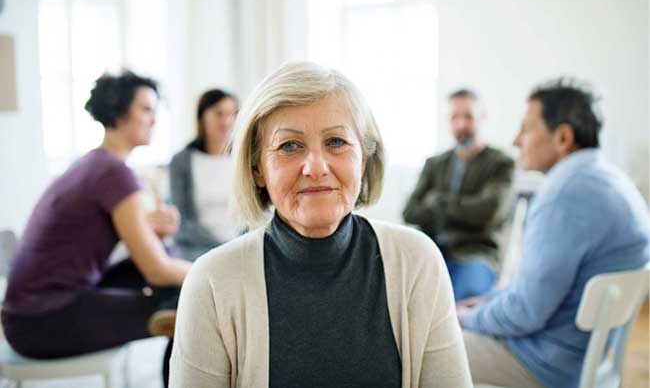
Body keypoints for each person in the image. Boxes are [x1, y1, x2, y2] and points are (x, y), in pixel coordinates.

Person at [169, 62, 472, 387]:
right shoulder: (212, 282)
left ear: (364, 159)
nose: (315, 167)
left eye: (336, 142)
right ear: (258, 169)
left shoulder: (418, 262)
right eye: (289, 146)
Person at [1, 70, 191, 387]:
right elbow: (157, 271)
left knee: (172, 266)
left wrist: (151, 231)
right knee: (186, 294)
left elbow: (127, 240)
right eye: (145, 109)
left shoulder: (94, 164)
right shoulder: (113, 173)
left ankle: (176, 314)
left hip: (29, 314)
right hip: (43, 321)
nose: (154, 120)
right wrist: (208, 275)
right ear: (119, 111)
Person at [458, 79, 650, 388]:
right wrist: (486, 302)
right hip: (583, 357)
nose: (516, 140)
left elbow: (524, 313)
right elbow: (533, 291)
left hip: (545, 366)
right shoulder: (614, 180)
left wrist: (464, 318)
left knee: (423, 347)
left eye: (526, 129)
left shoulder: (563, 196)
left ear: (563, 137)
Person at [402, 89, 514, 300]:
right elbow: (410, 211)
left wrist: (438, 201)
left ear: (483, 118)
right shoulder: (434, 164)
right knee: (403, 295)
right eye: (455, 118)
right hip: (431, 250)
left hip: (477, 254)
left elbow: (489, 212)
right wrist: (467, 209)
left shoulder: (501, 163)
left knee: (459, 301)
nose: (461, 125)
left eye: (468, 117)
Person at [169, 89, 240, 261]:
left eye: (232, 114)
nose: (226, 121)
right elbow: (182, 220)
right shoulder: (181, 161)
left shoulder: (245, 158)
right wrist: (222, 247)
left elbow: (255, 214)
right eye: (219, 113)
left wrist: (238, 244)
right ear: (202, 117)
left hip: (240, 245)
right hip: (196, 249)